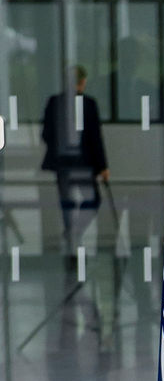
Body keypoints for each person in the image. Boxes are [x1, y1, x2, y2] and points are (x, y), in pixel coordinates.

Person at [41, 65, 108, 257]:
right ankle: (74, 232)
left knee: (67, 202)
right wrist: (102, 166)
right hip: (83, 163)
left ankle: (71, 233)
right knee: (92, 199)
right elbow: (95, 137)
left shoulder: (55, 102)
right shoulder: (88, 103)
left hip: (62, 163)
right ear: (82, 82)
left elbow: (46, 133)